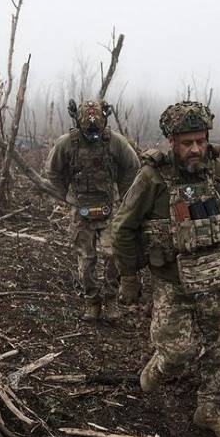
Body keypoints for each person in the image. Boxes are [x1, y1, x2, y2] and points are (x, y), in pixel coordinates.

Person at [112, 101, 220, 437]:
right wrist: (128, 278)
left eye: (200, 140)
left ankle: (208, 410)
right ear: (172, 142)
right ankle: (160, 366)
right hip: (172, 283)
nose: (195, 149)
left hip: (217, 281)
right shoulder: (152, 179)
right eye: (187, 143)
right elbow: (123, 228)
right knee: (178, 352)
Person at [45, 99, 141, 323]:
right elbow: (52, 170)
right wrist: (67, 196)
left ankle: (111, 300)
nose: (93, 136)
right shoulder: (67, 143)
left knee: (112, 254)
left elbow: (132, 166)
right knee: (86, 260)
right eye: (89, 132)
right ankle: (92, 303)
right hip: (81, 211)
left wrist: (123, 195)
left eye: (97, 131)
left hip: (108, 208)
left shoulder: (115, 142)